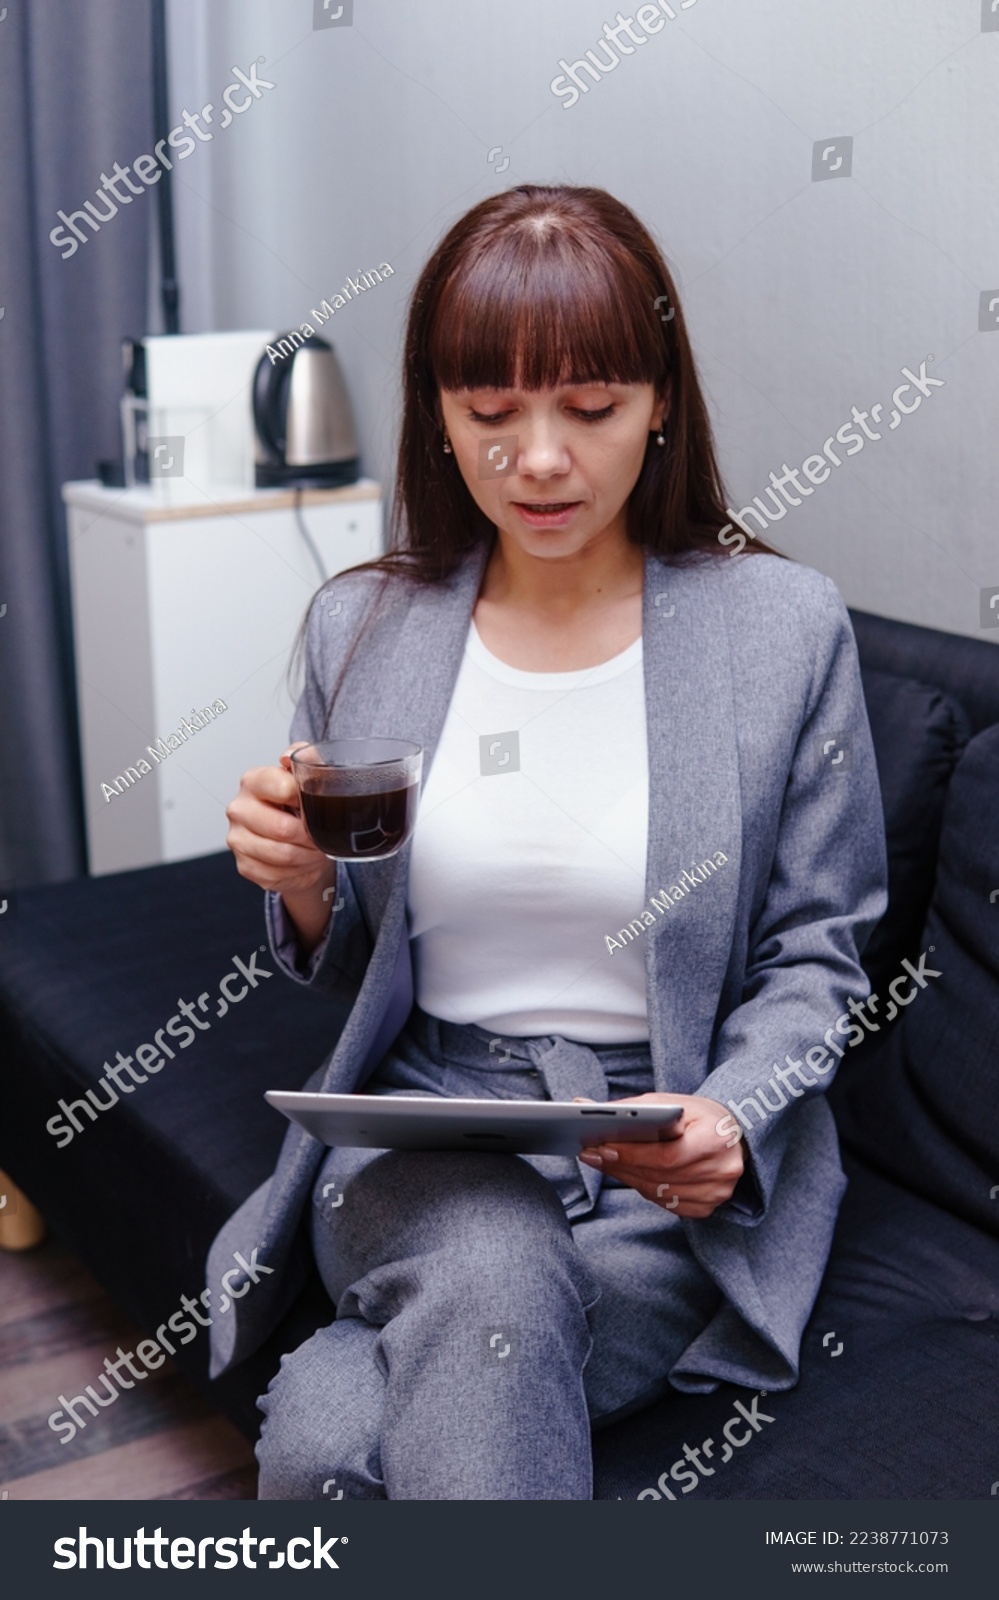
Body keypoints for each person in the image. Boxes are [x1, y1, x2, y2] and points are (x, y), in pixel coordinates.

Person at [212, 184, 888, 1500]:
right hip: (422, 1140)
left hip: (658, 1169)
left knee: (328, 1447)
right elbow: (354, 958)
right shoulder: (364, 627)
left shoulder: (785, 629)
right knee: (490, 1264)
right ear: (440, 417)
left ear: (661, 403)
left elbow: (823, 953)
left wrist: (731, 1118)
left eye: (589, 408)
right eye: (490, 414)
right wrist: (299, 889)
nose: (539, 461)